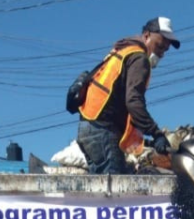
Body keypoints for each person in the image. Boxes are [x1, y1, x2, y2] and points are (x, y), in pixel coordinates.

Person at [75, 17, 181, 174]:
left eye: (165, 50)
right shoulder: (139, 58)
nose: (161, 54)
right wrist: (156, 133)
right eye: (159, 46)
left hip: (89, 127)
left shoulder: (124, 51)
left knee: (104, 186)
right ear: (146, 36)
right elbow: (133, 102)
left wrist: (148, 141)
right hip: (103, 131)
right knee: (113, 193)